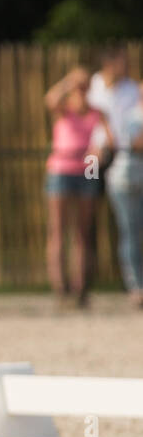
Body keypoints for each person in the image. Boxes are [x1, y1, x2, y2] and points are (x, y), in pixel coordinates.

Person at [86, 45, 143, 305]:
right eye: (121, 61)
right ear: (110, 63)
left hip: (122, 157)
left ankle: (132, 284)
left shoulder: (131, 89)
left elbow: (130, 129)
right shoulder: (95, 85)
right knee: (87, 216)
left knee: (129, 227)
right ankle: (84, 283)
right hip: (95, 158)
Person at [43, 68, 105, 307]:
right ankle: (60, 289)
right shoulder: (63, 109)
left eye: (84, 86)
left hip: (87, 168)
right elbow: (50, 99)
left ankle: (81, 289)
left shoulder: (97, 113)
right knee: (58, 230)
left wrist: (100, 152)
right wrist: (70, 81)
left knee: (83, 232)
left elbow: (104, 140)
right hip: (61, 167)